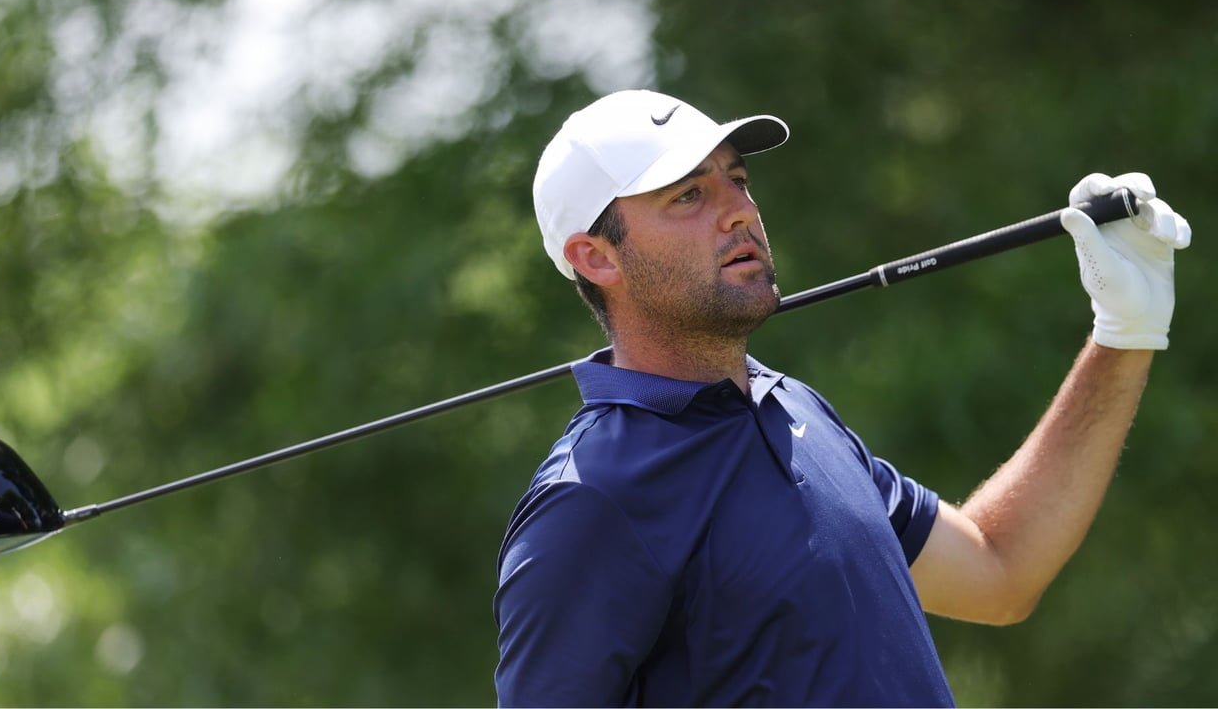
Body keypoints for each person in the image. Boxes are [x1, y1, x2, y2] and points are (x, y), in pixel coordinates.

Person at [493, 89, 1192, 707]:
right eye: (688, 194)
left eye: (737, 180)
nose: (739, 211)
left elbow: (999, 571)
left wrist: (1124, 335)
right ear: (596, 257)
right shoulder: (592, 498)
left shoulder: (795, 412)